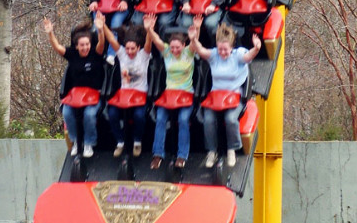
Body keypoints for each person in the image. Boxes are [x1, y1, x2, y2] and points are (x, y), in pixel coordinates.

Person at [193, 23, 261, 168]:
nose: (222, 52)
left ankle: (232, 149)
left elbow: (248, 57)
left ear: (231, 47)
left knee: (230, 119)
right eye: (220, 49)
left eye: (225, 50)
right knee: (208, 119)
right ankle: (212, 151)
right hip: (216, 96)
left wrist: (256, 48)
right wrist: (194, 39)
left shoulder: (238, 55)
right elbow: (201, 50)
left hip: (234, 96)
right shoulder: (214, 55)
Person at [43, 14, 106, 158]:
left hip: (93, 96)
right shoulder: (72, 54)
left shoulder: (95, 54)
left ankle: (89, 143)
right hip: (75, 96)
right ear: (77, 46)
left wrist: (101, 30)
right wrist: (50, 33)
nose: (85, 48)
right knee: (67, 112)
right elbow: (58, 48)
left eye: (87, 44)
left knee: (89, 115)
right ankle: (76, 141)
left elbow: (101, 44)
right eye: (82, 45)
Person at [146, 15, 201, 170]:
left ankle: (182, 156)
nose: (175, 50)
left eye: (178, 47)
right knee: (161, 118)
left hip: (185, 93)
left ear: (183, 46)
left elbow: (194, 43)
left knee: (183, 120)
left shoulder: (188, 54)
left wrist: (196, 29)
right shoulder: (167, 53)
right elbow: (156, 40)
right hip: (169, 94)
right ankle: (158, 154)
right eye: (173, 47)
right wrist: (149, 28)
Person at [103, 20, 153, 158]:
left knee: (139, 116)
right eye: (127, 48)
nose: (130, 52)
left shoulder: (144, 55)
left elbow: (149, 43)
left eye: (133, 49)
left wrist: (149, 30)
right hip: (124, 94)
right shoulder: (122, 55)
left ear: (138, 48)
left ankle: (137, 141)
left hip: (139, 94)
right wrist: (103, 26)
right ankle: (120, 141)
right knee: (111, 113)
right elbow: (112, 39)